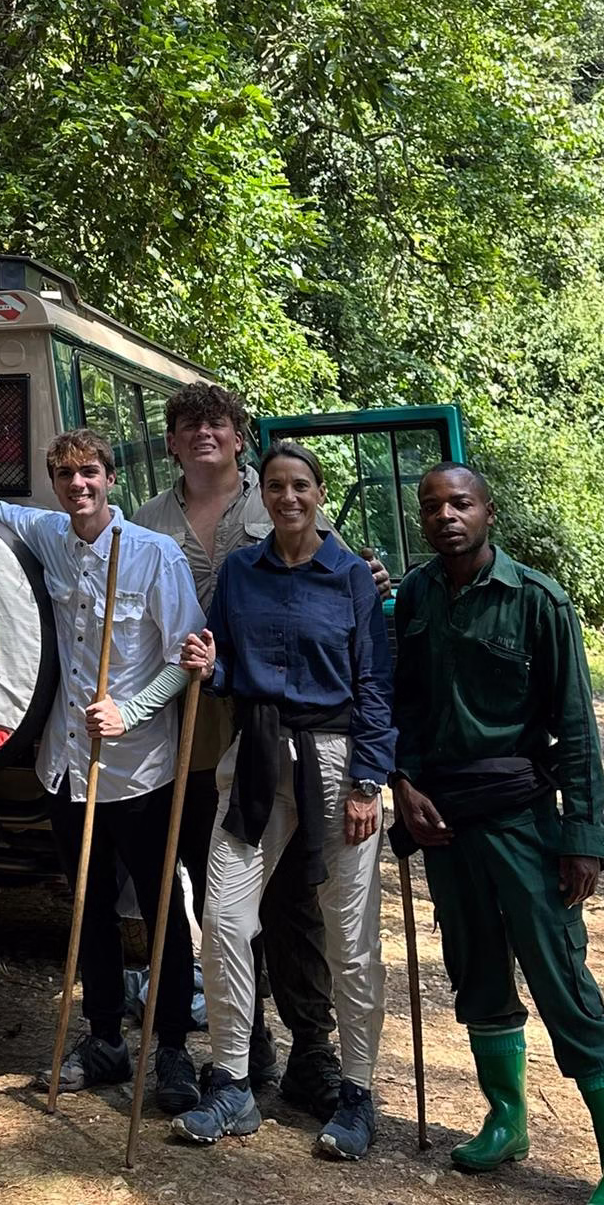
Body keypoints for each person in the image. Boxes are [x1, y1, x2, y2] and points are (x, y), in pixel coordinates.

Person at [0, 431, 206, 1117]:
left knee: (160, 914)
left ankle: (173, 1047)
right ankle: (103, 1040)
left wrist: (133, 708)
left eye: (88, 472)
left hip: (139, 768)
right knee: (87, 907)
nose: (77, 485)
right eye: (63, 474)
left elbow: (187, 657)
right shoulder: (51, 534)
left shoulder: (155, 556)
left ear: (110, 478)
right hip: (67, 767)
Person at [391, 464, 604, 1205]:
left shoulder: (539, 601)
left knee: (562, 981)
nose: (445, 516)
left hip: (524, 821)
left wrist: (582, 839)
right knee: (474, 971)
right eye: (432, 506)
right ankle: (506, 1120)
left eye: (459, 503)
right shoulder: (413, 598)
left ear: (488, 512)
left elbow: (577, 726)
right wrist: (403, 785)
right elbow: (399, 705)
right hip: (444, 818)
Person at [173, 439, 392, 1162]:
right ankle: (232, 1079)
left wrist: (368, 781)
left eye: (300, 485)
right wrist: (214, 664)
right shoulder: (240, 572)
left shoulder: (352, 577)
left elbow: (374, 687)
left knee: (349, 934)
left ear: (318, 493)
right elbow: (229, 661)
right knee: (225, 915)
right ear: (262, 497)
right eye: (275, 486)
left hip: (335, 761)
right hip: (258, 752)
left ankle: (356, 1093)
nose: (288, 497)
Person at [134, 384, 344, 1118]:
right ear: (171, 442)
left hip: (275, 739)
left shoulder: (281, 500)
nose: (203, 434)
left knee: (295, 902)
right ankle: (236, 1046)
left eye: (216, 422)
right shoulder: (147, 522)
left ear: (239, 436)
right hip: (183, 740)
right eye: (188, 424)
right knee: (214, 896)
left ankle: (311, 1052)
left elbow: (336, 585)